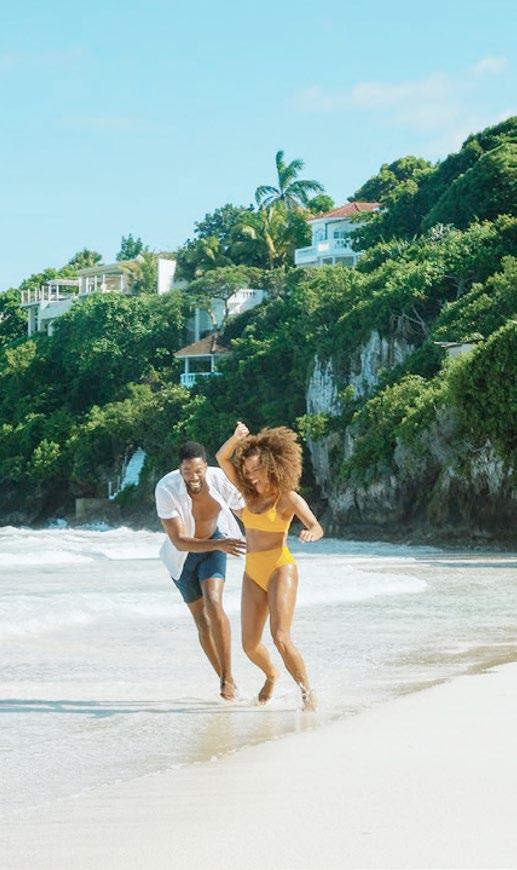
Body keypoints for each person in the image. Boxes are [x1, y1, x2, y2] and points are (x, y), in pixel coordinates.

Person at [216, 422, 323, 711]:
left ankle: (307, 693)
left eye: (257, 469)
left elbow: (316, 526)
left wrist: (311, 533)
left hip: (279, 566)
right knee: (249, 645)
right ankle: (272, 675)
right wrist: (236, 438)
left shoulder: (287, 497)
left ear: (272, 465)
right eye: (247, 470)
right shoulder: (247, 494)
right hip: (253, 571)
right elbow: (222, 458)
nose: (251, 476)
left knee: (280, 637)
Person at [155, 441, 246, 701]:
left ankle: (227, 676)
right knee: (201, 619)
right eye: (187, 471)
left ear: (205, 466)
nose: (193, 477)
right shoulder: (166, 488)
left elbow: (246, 512)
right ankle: (225, 680)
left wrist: (269, 538)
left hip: (215, 545)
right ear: (180, 469)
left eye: (198, 471)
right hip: (182, 559)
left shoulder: (219, 479)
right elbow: (179, 541)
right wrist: (220, 544)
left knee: (214, 602)